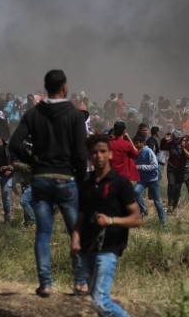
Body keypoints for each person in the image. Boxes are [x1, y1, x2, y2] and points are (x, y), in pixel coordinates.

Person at [9, 69, 88, 297]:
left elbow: (14, 144)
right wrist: (80, 179)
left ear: (46, 88)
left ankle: (45, 283)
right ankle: (81, 282)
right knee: (74, 230)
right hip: (66, 178)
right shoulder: (74, 115)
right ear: (64, 87)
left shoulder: (33, 114)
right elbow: (81, 154)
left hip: (41, 179)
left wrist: (32, 161)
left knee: (43, 232)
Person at [73, 134, 142, 316]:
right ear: (90, 156)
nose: (99, 156)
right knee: (87, 299)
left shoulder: (121, 183)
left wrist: (111, 220)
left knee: (100, 301)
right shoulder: (85, 183)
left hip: (109, 248)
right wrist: (75, 239)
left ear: (110, 154)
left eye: (103, 151)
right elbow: (80, 216)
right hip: (87, 248)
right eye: (94, 152)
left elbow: (136, 218)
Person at [133, 134, 166, 225]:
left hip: (152, 180)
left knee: (157, 202)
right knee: (135, 192)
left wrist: (139, 167)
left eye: (137, 143)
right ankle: (144, 210)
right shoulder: (137, 152)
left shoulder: (148, 151)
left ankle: (163, 223)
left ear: (142, 143)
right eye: (134, 143)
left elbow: (154, 166)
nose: (135, 145)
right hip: (142, 179)